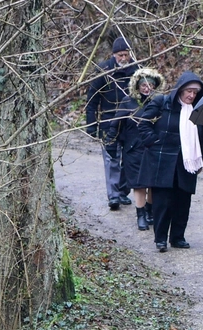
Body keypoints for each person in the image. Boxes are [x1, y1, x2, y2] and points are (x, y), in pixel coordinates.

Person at [137, 71, 203, 252]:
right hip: (163, 160)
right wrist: (153, 141)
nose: (191, 95)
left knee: (183, 201)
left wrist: (201, 161)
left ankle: (178, 237)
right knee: (162, 202)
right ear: (181, 89)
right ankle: (160, 239)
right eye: (188, 91)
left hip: (187, 162)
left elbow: (200, 137)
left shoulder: (197, 111)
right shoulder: (163, 103)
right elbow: (143, 122)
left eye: (195, 92)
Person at [107, 68, 164, 231]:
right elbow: (116, 124)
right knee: (139, 184)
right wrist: (111, 143)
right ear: (137, 86)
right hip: (133, 149)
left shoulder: (159, 101)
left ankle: (150, 211)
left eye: (151, 85)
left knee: (153, 183)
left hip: (152, 148)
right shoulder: (128, 102)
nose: (147, 88)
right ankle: (140, 215)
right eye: (144, 85)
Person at [85, 36, 137, 210]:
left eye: (126, 54)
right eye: (120, 55)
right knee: (112, 159)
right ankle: (113, 196)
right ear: (113, 55)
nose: (123, 58)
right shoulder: (103, 71)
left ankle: (123, 191)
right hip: (108, 122)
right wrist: (91, 124)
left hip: (131, 123)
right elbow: (92, 99)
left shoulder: (137, 71)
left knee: (130, 159)